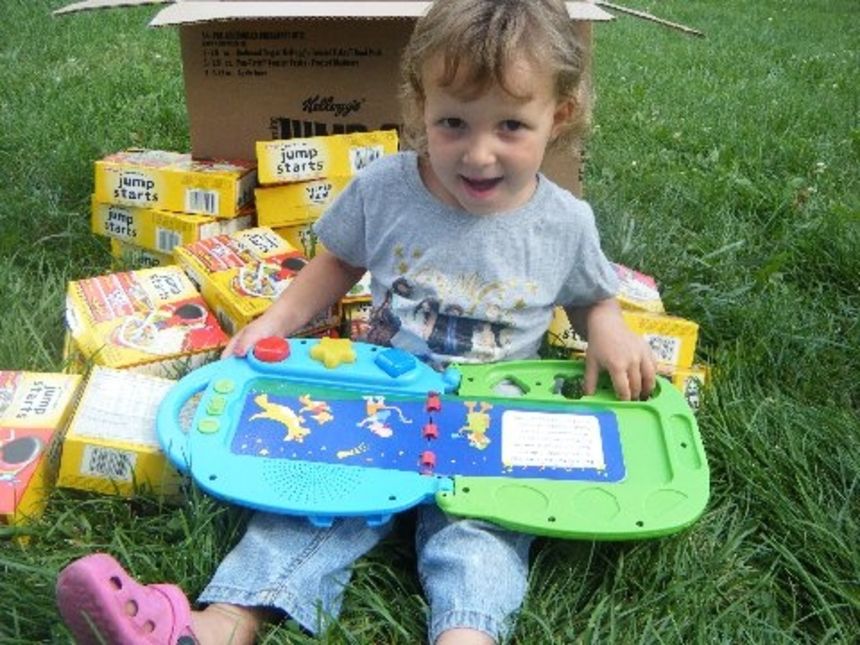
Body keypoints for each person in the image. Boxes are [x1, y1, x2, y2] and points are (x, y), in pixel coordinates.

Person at [56, 1, 656, 643]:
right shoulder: (387, 187)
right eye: (452, 122)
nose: (478, 155)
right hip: (377, 404)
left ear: (558, 116)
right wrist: (277, 320)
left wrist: (609, 327)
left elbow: (593, 298)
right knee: (308, 502)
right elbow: (336, 262)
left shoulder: (564, 223)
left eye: (510, 126)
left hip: (489, 428)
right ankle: (217, 626)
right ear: (419, 103)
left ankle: (467, 635)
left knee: (481, 541)